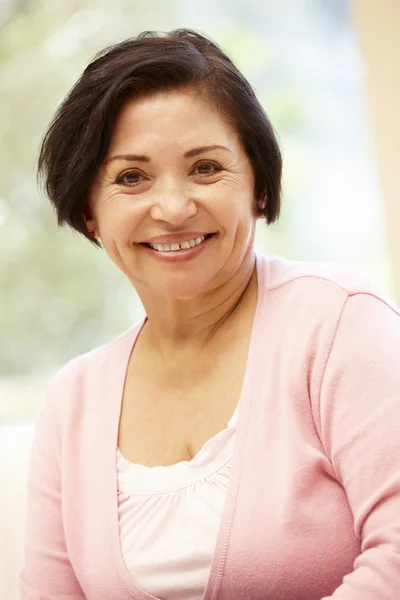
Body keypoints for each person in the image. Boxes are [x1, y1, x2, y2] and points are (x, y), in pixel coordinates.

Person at [19, 28, 400, 600]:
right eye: (131, 178)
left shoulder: (343, 325)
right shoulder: (73, 400)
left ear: (259, 187)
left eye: (205, 168)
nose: (173, 207)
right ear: (89, 212)